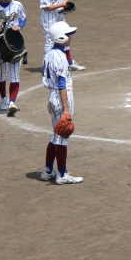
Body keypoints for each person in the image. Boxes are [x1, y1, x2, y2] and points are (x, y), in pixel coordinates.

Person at [40, 21, 83, 185]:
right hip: (61, 96)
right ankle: (62, 174)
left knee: (56, 136)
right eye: (68, 35)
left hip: (52, 96)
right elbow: (61, 83)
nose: (70, 38)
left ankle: (47, 170)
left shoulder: (49, 53)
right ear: (60, 37)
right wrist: (66, 108)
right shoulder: (60, 57)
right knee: (62, 138)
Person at [38, 0, 84, 70]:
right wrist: (61, 4)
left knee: (65, 36)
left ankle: (69, 63)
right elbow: (46, 7)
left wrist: (66, 0)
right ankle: (48, 66)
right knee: (50, 41)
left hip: (59, 15)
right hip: (49, 18)